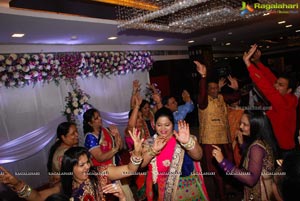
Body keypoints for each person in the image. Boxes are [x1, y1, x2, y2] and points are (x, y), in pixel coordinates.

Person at [0, 129, 143, 201]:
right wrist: (17, 184)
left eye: (88, 162)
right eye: (81, 165)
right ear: (70, 168)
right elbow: (38, 197)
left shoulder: (100, 172)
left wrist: (137, 152)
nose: (87, 166)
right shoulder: (66, 185)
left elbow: (129, 170)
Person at [141, 107, 209, 201]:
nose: (163, 129)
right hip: (162, 192)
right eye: (159, 125)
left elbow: (198, 156)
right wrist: (153, 151)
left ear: (173, 124)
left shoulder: (181, 138)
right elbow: (141, 164)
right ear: (154, 125)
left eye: (167, 125)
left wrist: (187, 143)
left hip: (186, 190)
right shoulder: (150, 142)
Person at [195, 60, 240, 201]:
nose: (214, 90)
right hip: (210, 141)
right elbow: (202, 94)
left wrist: (236, 88)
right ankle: (221, 196)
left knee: (229, 166)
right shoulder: (203, 101)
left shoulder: (221, 97)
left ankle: (227, 190)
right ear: (207, 90)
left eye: (216, 88)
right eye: (211, 88)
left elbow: (236, 97)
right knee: (215, 172)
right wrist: (203, 77)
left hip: (224, 139)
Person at [243, 44, 298, 158]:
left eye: (280, 85)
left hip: (284, 151)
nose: (276, 86)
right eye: (277, 83)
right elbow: (271, 79)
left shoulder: (285, 104)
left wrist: (249, 64)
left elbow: (267, 87)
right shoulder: (286, 98)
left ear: (289, 90)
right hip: (279, 146)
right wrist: (258, 62)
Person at [212, 110, 279, 201]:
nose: (240, 126)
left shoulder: (256, 148)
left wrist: (223, 162)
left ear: (256, 126)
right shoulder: (262, 140)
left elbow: (251, 179)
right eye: (241, 123)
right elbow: (254, 160)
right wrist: (242, 144)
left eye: (245, 124)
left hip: (261, 195)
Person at [83, 108, 123, 186]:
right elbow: (100, 157)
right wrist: (115, 149)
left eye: (99, 116)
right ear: (90, 123)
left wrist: (117, 135)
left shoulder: (107, 130)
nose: (100, 119)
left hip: (116, 165)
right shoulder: (90, 137)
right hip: (105, 173)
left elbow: (120, 148)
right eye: (96, 118)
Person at [47, 122, 79, 186]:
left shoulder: (61, 145)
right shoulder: (65, 152)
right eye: (73, 134)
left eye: (76, 131)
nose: (77, 134)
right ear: (63, 137)